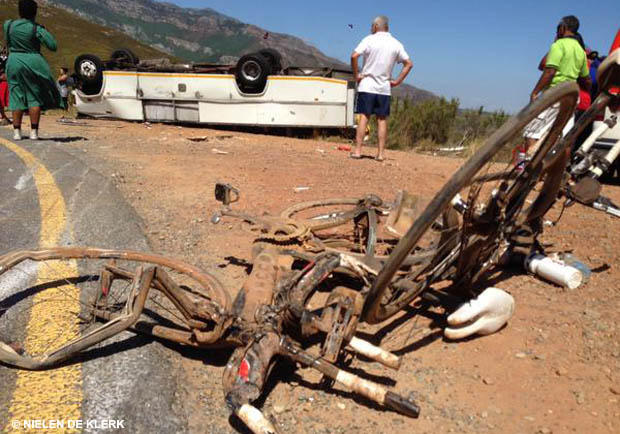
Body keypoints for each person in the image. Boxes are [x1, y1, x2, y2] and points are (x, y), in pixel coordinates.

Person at [523, 16, 591, 151]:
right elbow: (586, 78)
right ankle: (555, 164)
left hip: (555, 94)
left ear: (563, 27)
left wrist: (535, 92)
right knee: (563, 137)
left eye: (558, 27)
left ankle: (530, 161)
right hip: (571, 98)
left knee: (531, 132)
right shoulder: (581, 51)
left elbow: (550, 71)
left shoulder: (558, 45)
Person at [350, 15, 413, 161]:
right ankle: (380, 154)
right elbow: (409, 64)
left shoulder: (369, 39)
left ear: (375, 26)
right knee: (382, 119)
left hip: (367, 85)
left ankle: (358, 151)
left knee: (364, 117)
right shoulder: (396, 43)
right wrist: (397, 81)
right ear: (387, 27)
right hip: (384, 87)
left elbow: (354, 56)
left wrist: (356, 75)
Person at [3, 0, 63, 140]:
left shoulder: (8, 25)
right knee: (34, 97)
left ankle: (17, 132)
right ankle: (34, 132)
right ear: (34, 13)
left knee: (15, 95)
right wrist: (44, 30)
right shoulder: (36, 28)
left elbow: (8, 41)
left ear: (19, 11)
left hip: (14, 61)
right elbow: (53, 46)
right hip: (32, 62)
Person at [0, 46, 10, 125]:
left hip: (5, 81)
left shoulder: (9, 59)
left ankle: (3, 116)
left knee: (3, 100)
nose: (4, 52)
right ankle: (3, 117)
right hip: (2, 80)